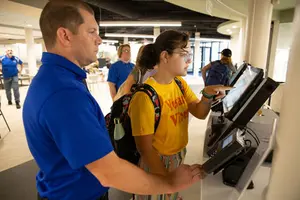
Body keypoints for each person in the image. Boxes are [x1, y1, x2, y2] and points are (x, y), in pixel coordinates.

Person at [22, 1, 204, 200]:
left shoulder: (57, 80)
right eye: (92, 32)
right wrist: (168, 184)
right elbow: (109, 171)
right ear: (65, 36)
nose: (99, 40)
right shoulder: (63, 93)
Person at [128, 30, 231, 200]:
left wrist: (207, 95)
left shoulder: (179, 83)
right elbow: (145, 149)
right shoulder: (145, 97)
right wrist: (168, 183)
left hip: (178, 155)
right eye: (184, 54)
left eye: (189, 54)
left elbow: (199, 112)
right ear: (165, 56)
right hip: (156, 163)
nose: (189, 60)